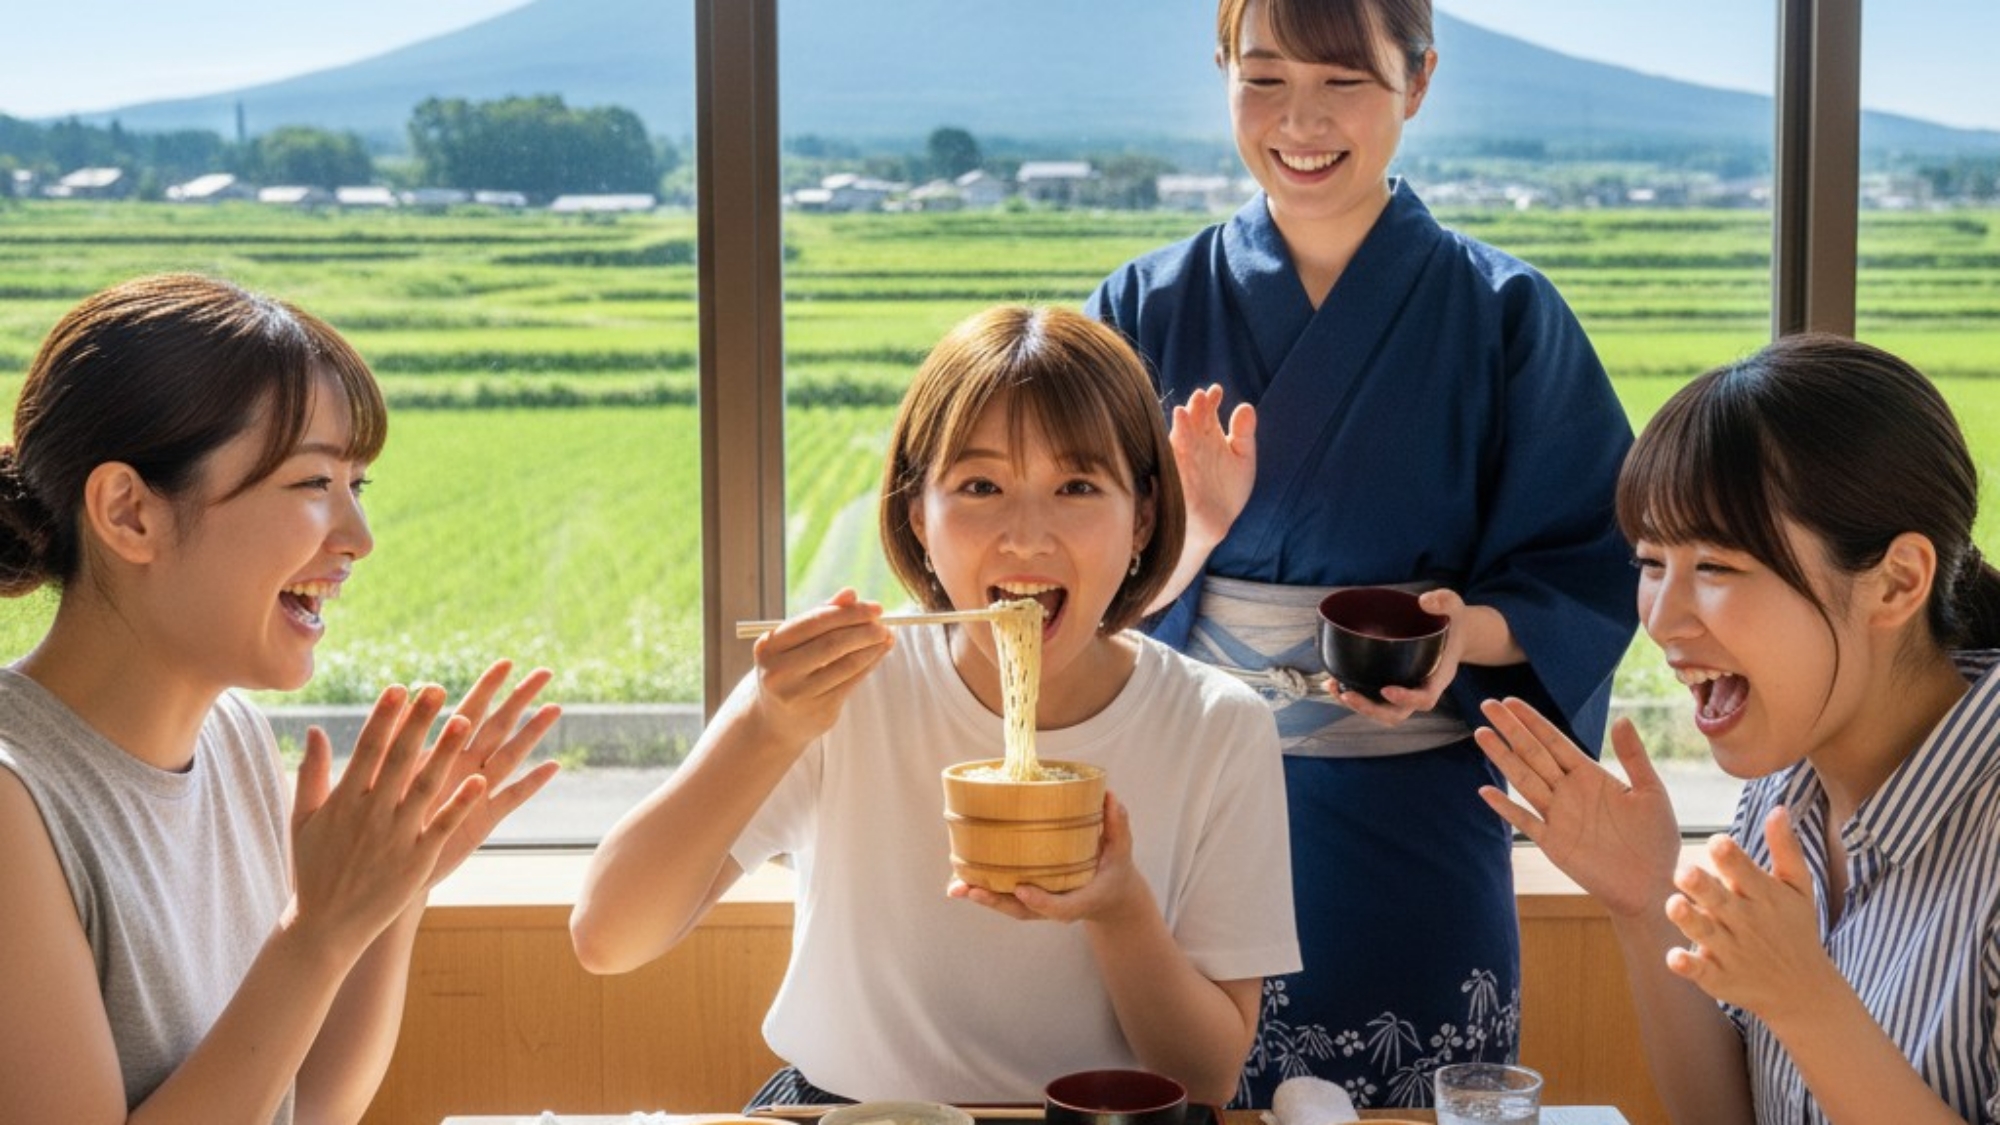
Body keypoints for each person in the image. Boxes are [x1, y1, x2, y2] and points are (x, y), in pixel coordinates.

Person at [1085, 0, 1637, 1106]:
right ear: (1221, 74)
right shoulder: (1139, 307)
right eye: (1262, 77)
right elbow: (1065, 589)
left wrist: (1455, 637)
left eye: (1343, 81)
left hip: (1411, 825)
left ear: (1417, 82)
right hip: (1184, 811)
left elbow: (1591, 557)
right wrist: (1190, 536)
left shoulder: (1505, 315)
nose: (1300, 119)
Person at [571, 305, 1300, 1107]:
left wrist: (1120, 906)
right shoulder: (840, 689)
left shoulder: (1216, 725)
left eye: (1078, 485)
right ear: (920, 516)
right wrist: (762, 727)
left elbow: (1205, 1076)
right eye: (981, 485)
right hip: (845, 1111)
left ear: (1145, 518)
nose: (1027, 535)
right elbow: (607, 937)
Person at [0, 273, 563, 1125]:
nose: (358, 540)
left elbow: (306, 1109)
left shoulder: (232, 740)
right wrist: (318, 931)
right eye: (312, 485)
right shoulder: (14, 801)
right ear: (129, 512)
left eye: (356, 487)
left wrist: (394, 890)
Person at [1476, 334, 2000, 1125]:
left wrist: (1809, 1001)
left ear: (1897, 582)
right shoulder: (1782, 789)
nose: (1661, 616)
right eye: (1652, 562)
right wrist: (1644, 901)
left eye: (1716, 567)